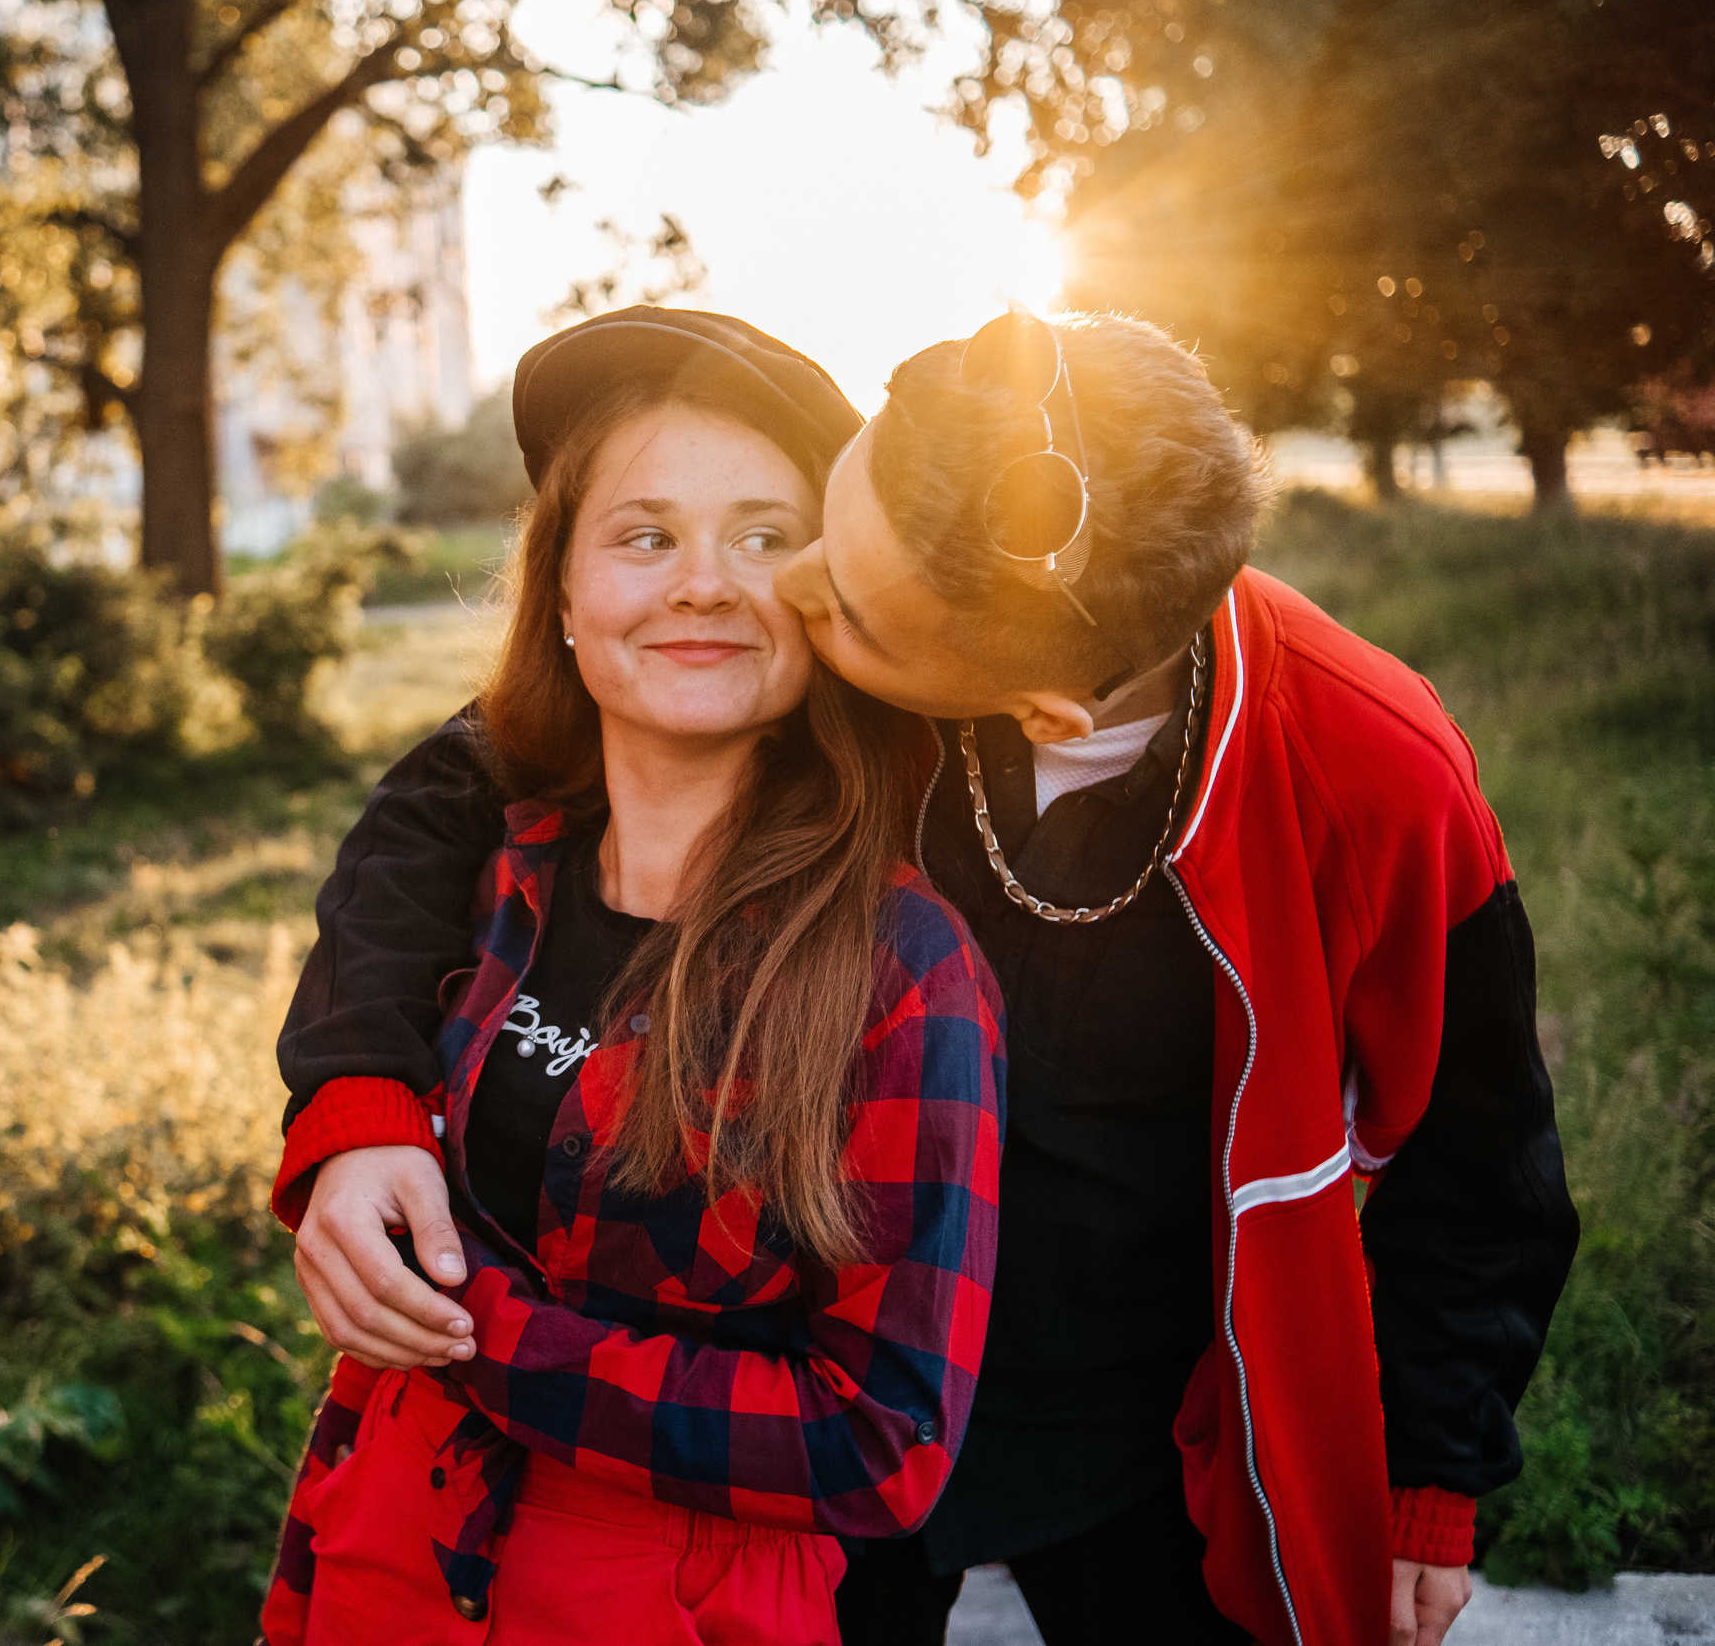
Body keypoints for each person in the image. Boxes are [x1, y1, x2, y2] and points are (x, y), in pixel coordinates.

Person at [274, 307, 1580, 1646]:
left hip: (1133, 1411)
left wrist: (1431, 1476)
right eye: (824, 527)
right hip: (807, 1395)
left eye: (836, 596)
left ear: (1029, 706)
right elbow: (452, 790)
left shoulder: (1376, 771)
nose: (787, 589)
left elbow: (1479, 1157)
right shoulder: (904, 577)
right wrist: (359, 1098)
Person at [259, 312, 1007, 1645]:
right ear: (560, 594)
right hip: (387, 1544)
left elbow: (882, 1441)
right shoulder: (489, 872)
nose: (704, 584)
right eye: (645, 536)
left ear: (829, 600)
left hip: (676, 1604)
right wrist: (350, 1145)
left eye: (764, 539)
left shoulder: (902, 969)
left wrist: (474, 1328)